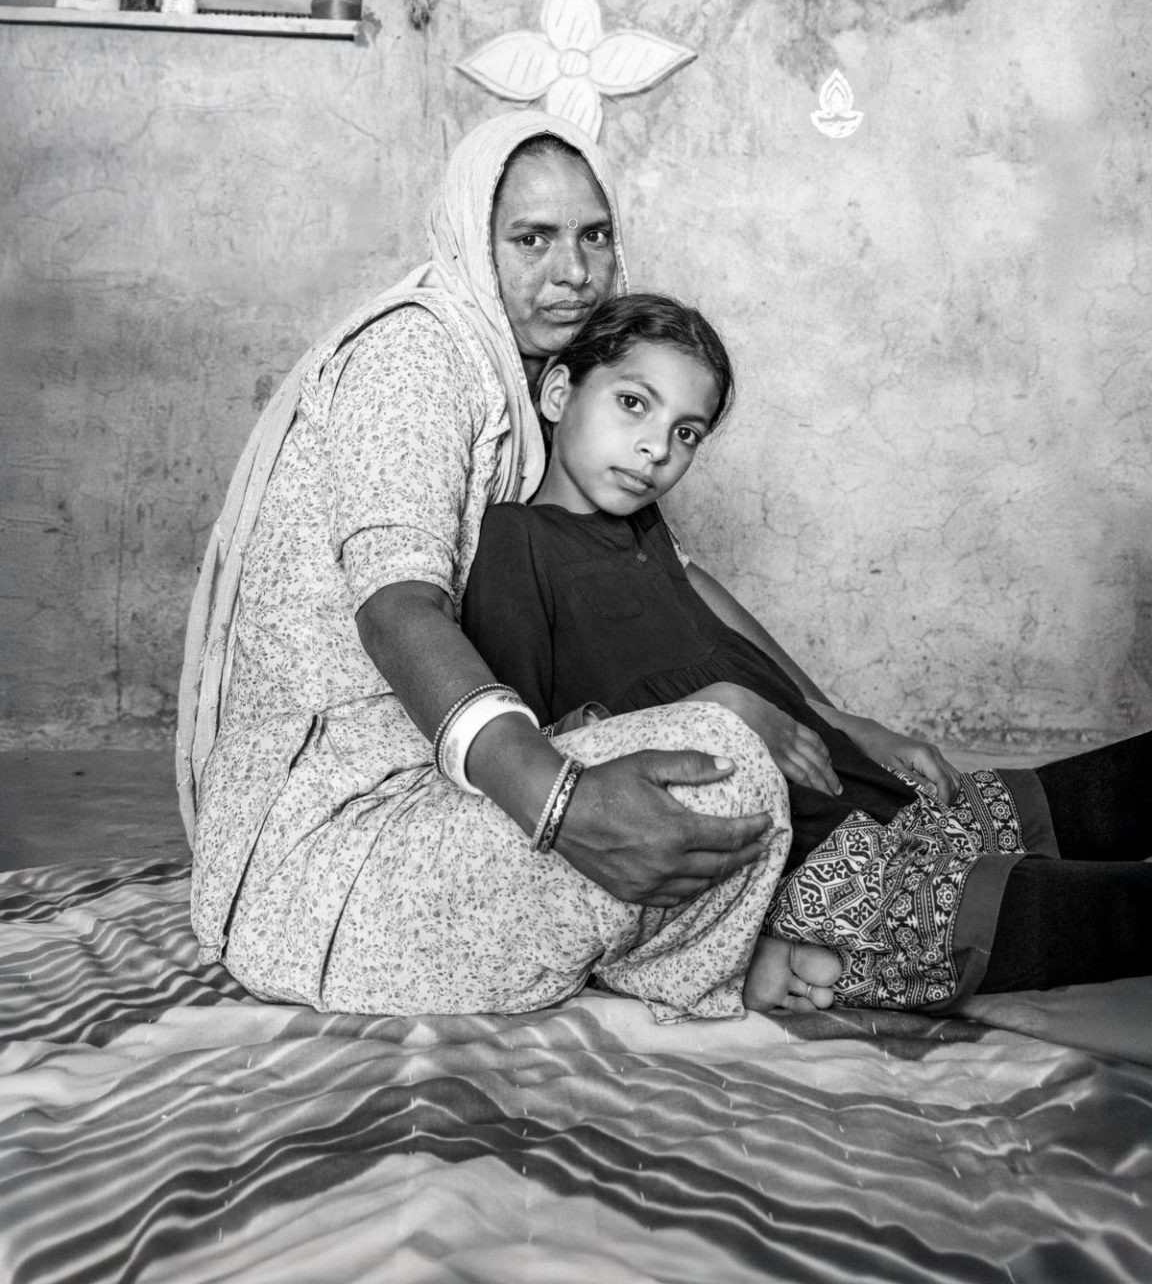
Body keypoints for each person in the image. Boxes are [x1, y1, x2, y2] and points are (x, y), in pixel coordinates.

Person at [181, 110, 831, 1025]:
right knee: (718, 757)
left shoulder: (544, 384)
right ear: (472, 243)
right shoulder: (419, 353)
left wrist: (828, 716)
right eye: (532, 239)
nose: (573, 271)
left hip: (454, 797)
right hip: (333, 863)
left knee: (717, 746)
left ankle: (698, 954)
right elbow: (397, 607)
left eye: (594, 236)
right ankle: (706, 955)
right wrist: (562, 803)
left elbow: (673, 572)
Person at [461, 293, 1152, 1011]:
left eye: (687, 432)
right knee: (1109, 912)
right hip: (816, 877)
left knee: (1105, 790)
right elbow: (536, 760)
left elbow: (739, 646)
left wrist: (848, 721)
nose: (658, 449)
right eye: (634, 404)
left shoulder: (647, 535)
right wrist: (712, 710)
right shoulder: (513, 544)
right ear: (557, 391)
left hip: (870, 794)